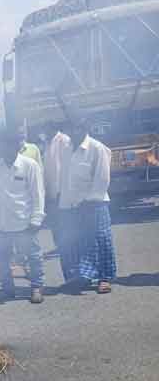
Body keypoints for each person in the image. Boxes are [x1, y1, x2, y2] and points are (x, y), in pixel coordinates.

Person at [0, 130, 46, 304]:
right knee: (0, 257)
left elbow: (38, 194)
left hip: (23, 222)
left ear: (15, 147)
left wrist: (36, 219)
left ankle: (36, 287)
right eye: (1, 146)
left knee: (33, 256)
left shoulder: (30, 165)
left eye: (7, 146)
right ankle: (7, 288)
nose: (4, 149)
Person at [61, 119, 116, 294]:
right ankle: (85, 277)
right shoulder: (67, 148)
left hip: (95, 203)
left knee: (101, 240)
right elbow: (65, 178)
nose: (74, 131)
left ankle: (105, 278)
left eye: (77, 127)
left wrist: (91, 200)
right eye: (71, 128)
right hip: (73, 205)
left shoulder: (97, 148)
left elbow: (102, 179)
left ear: (85, 128)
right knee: (80, 242)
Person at [44, 125, 71, 261]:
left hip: (61, 190)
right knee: (54, 222)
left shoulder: (63, 140)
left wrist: (64, 189)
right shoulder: (47, 142)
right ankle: (60, 246)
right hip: (50, 191)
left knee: (64, 222)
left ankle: (67, 246)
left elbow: (66, 166)